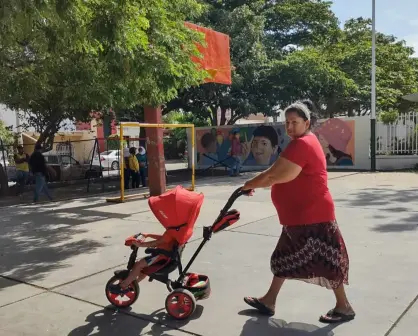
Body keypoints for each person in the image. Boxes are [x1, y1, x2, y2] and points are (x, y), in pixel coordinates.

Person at [241, 100, 355, 324]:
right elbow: (278, 173)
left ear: (307, 122)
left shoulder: (302, 144)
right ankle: (269, 300)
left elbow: (275, 175)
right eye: (287, 123)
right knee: (285, 257)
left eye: (295, 122)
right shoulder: (303, 142)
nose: (290, 127)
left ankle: (344, 307)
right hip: (301, 217)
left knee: (328, 262)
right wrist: (254, 183)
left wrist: (249, 184)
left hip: (313, 216)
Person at [109, 231, 177, 293]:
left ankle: (122, 286)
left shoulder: (172, 230)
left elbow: (156, 242)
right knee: (142, 268)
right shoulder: (175, 230)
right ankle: (133, 285)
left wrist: (141, 245)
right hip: (163, 255)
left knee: (138, 265)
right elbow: (162, 238)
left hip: (161, 256)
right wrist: (148, 235)